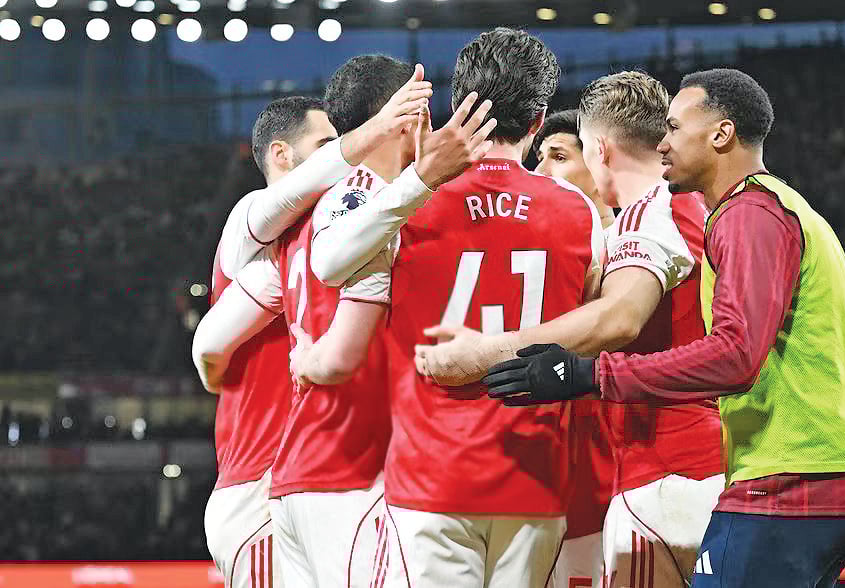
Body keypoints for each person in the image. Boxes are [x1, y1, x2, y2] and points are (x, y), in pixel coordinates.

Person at [480, 68, 845, 588]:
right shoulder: (762, 211)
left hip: (778, 476)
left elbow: (733, 354)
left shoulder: (743, 215)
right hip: (792, 471)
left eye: (673, 128)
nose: (662, 143)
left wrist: (585, 373)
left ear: (721, 134)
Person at [290, 28, 605, 588]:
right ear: (537, 123)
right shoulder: (580, 213)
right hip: (535, 476)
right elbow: (591, 324)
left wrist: (417, 178)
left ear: (458, 106)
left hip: (430, 479)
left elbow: (329, 264)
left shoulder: (408, 205)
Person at [193, 56, 495, 587]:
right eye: (326, 146)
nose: (340, 156)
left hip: (300, 473)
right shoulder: (255, 221)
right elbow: (207, 344)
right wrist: (229, 378)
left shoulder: (316, 228)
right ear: (281, 156)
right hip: (265, 478)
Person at [416, 71, 725, 588]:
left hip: (664, 472)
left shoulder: (652, 213)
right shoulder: (691, 209)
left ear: (598, 149)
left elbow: (618, 319)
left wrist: (486, 353)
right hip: (692, 466)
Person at [531, 108, 616, 588]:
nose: (540, 170)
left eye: (558, 157)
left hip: (609, 464)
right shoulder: (536, 251)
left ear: (600, 160)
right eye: (539, 156)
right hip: (542, 464)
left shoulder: (635, 247)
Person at [533, 109, 616, 230]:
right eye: (541, 159)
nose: (538, 171)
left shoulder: (632, 239)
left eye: (559, 158)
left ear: (601, 169)